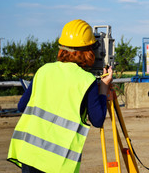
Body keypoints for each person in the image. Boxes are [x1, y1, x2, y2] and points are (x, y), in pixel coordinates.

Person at [7, 19, 114, 173]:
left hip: (29, 154)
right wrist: (103, 88)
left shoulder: (43, 70)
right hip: (58, 163)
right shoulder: (86, 81)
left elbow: (22, 106)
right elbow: (97, 120)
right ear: (88, 51)